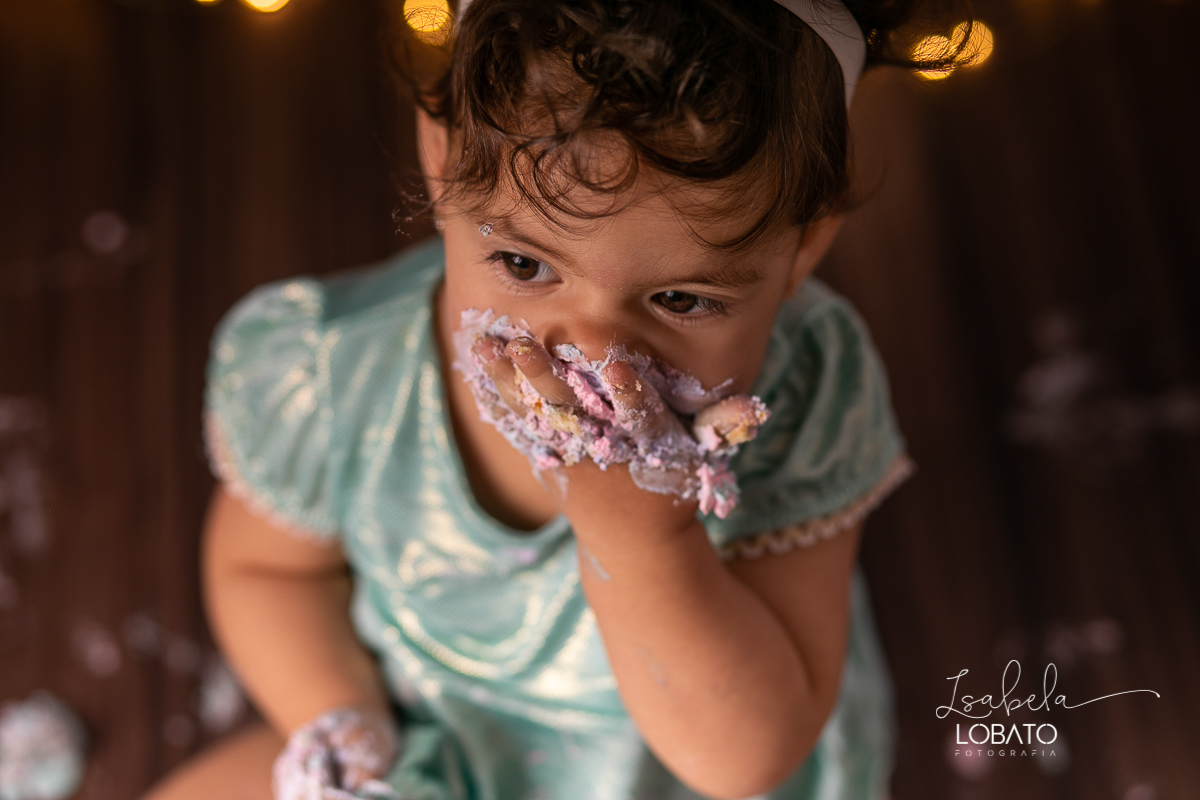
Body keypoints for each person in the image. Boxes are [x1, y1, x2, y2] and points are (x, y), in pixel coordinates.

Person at [141, 1, 964, 798]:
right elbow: (265, 572)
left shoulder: (805, 389)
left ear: (803, 247)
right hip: (437, 732)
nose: (593, 358)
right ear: (441, 154)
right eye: (526, 267)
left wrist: (642, 541)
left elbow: (745, 759)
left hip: (683, 752)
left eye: (680, 300)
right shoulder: (340, 373)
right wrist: (347, 727)